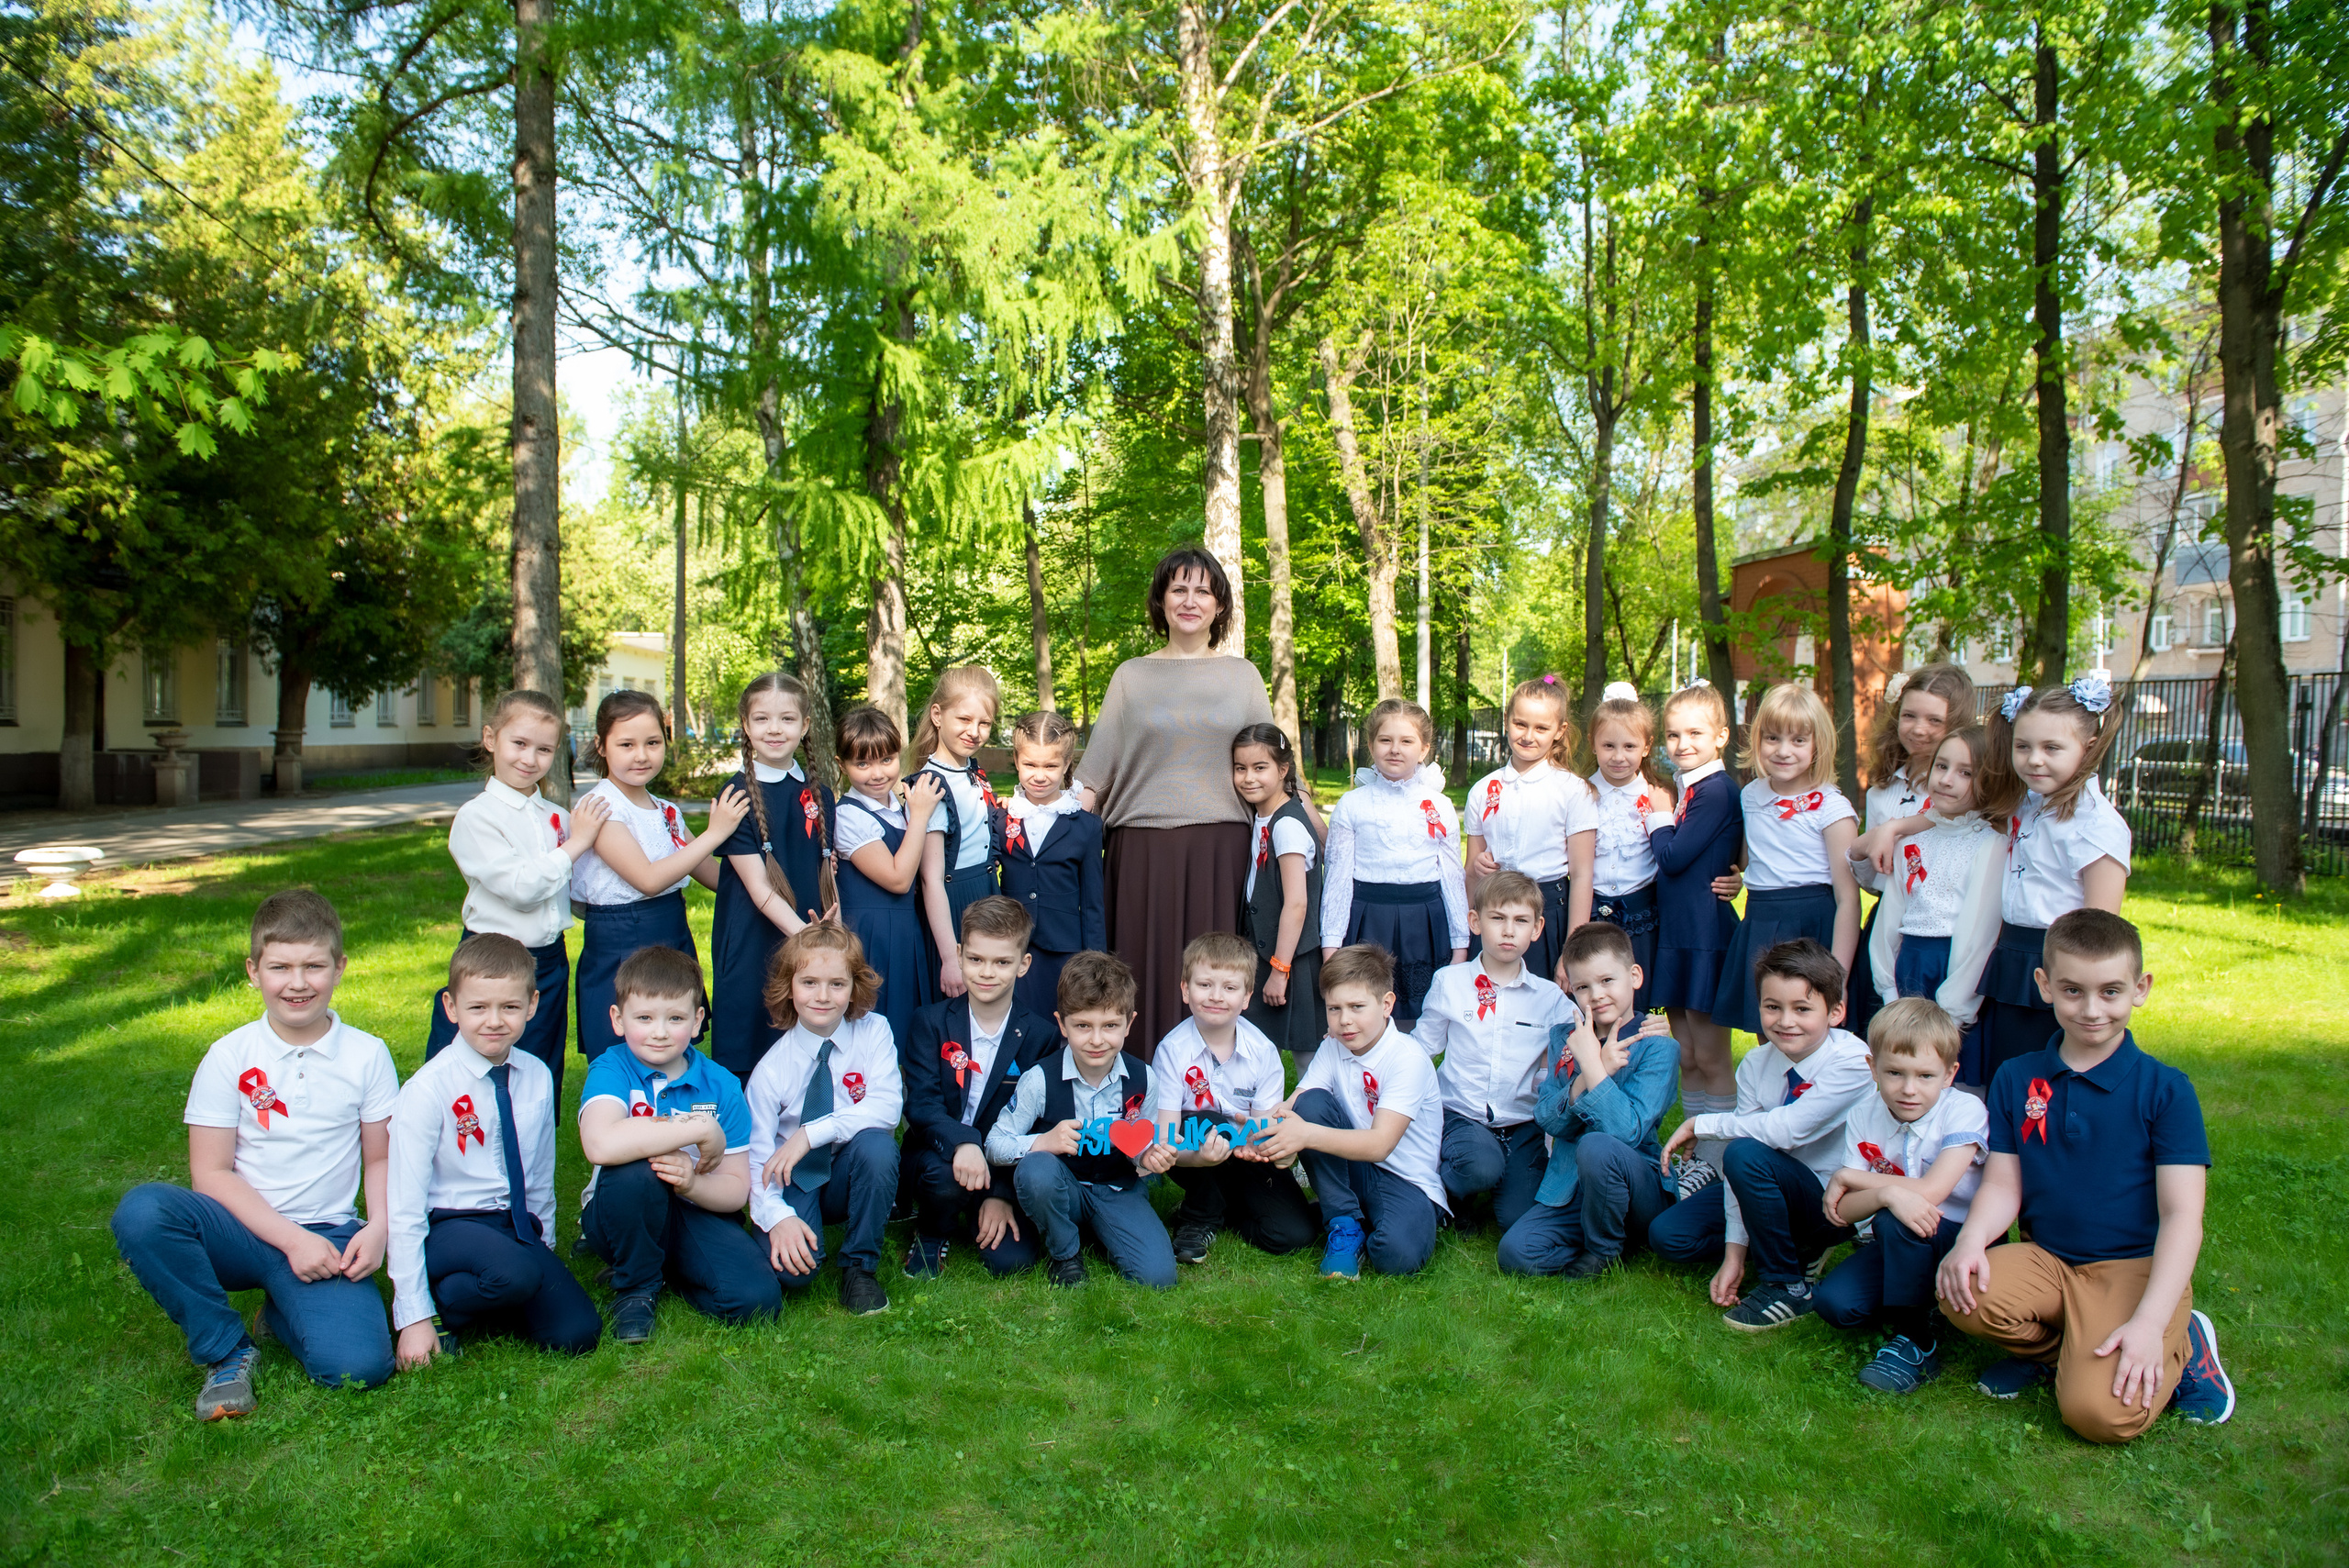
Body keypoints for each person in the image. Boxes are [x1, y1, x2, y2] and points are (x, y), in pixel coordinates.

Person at [1936, 909, 2234, 1441]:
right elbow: (2005, 1184)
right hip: (2049, 1261)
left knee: (2099, 1416)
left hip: (2131, 1270)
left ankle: (2182, 1343)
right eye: (2073, 991)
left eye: (2111, 991)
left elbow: (2183, 1216)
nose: (2092, 1009)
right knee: (1962, 1290)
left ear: (2140, 989)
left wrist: (2146, 1324)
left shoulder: (2167, 1090)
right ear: (2045, 986)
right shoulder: (2016, 1076)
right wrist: (1971, 1242)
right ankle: (2069, 1353)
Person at [111, 890, 398, 1418]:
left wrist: (378, 1227)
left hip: (328, 1234)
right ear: (253, 970)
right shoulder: (229, 1056)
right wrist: (290, 1242)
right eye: (280, 967)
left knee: (358, 1369)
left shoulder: (368, 1054)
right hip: (238, 1229)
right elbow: (211, 1173)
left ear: (340, 968)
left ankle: (285, 1309)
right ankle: (227, 1349)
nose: (297, 982)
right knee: (144, 1211)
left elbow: (380, 1158)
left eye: (314, 966)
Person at [1876, 676, 2132, 1086]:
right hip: (2009, 955)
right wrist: (1895, 827)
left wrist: (2081, 990)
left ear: (2089, 747)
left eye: (2052, 748)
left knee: (2054, 1076)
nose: (2034, 760)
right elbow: (1958, 812)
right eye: (2023, 746)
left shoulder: (2097, 826)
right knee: (2008, 1076)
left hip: (2061, 958)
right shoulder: (2026, 803)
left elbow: (2101, 929)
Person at [1074, 547, 1279, 1052]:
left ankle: (1211, 1096)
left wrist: (1315, 829)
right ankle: (1138, 1092)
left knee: (1213, 980)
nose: (1190, 601)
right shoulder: (1131, 676)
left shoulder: (1243, 676)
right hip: (1141, 854)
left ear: (1219, 605)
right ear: (1161, 600)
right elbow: (1094, 778)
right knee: (1139, 975)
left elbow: (1270, 765)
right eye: (1179, 589)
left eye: (1203, 591)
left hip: (1221, 853)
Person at [388, 934, 601, 1368]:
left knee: (577, 1333)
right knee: (516, 1274)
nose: (494, 1021)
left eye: (509, 1007)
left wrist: (546, 1245)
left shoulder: (537, 1076)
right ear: (451, 1008)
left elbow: (539, 1172)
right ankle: (443, 1303)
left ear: (532, 1004)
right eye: (478, 1007)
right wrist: (413, 1315)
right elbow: (404, 1206)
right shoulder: (428, 1090)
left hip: (513, 1226)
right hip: (449, 1226)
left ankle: (501, 1289)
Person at [1653, 939, 1874, 1330]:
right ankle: (1786, 1250)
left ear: (1835, 1012)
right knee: (1669, 1236)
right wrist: (1734, 1254)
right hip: (1764, 1192)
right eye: (1773, 1007)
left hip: (1829, 1202)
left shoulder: (1855, 1061)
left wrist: (1703, 1124)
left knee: (1744, 1153)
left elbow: (1788, 1130)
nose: (1785, 1021)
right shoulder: (1756, 1063)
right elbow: (1749, 1152)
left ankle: (1786, 1286)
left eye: (1802, 1009)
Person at [575, 945, 776, 1343]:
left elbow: (736, 1191)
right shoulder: (611, 1068)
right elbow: (600, 1144)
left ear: (698, 1019)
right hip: (619, 1211)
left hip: (692, 1210)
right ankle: (635, 1288)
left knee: (756, 1302)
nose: (660, 1031)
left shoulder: (722, 1084)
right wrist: (700, 1128)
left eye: (676, 1018)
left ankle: (666, 1271)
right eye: (644, 1018)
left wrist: (691, 1184)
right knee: (637, 1166)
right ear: (618, 1019)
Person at [422, 689, 611, 1104]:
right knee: (465, 1076)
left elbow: (574, 894)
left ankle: (528, 1159)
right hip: (488, 961)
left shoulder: (558, 818)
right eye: (519, 744)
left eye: (544, 749)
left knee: (537, 1074)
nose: (529, 759)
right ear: (491, 738)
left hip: (548, 961)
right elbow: (523, 889)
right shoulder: (477, 817)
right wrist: (577, 844)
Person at [1811, 997, 1987, 1394]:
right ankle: (1925, 1302)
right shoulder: (1864, 1114)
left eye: (1925, 1076)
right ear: (1872, 1068)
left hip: (1961, 1240)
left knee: (1898, 1218)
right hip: (1899, 1240)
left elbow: (1933, 1191)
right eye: (1894, 1073)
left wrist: (1853, 1178)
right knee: (1836, 1305)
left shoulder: (1965, 1110)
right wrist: (1886, 1191)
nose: (1909, 1089)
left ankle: (1917, 1340)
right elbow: (1841, 1211)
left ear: (1949, 1074)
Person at [570, 690, 748, 1062]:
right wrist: (716, 834)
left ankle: (674, 1119)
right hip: (622, 938)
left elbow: (714, 876)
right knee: (625, 1052)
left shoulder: (666, 809)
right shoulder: (601, 808)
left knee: (673, 1046)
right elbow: (648, 879)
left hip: (671, 929)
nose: (641, 755)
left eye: (652, 742)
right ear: (602, 746)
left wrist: (771, 877)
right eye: (626, 744)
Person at [1496, 919, 1679, 1279]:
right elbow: (1549, 1118)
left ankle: (1604, 1251)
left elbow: (1627, 1132)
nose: (1596, 995)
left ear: (1635, 976)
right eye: (1583, 986)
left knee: (1597, 1145)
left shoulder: (1658, 1047)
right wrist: (1583, 1077)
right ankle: (1599, 1234)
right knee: (1515, 1253)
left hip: (1633, 1185)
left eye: (1607, 980)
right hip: (1572, 1186)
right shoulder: (1566, 1037)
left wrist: (1596, 1068)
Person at [986, 951, 1179, 1288]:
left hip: (1117, 1189)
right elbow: (994, 1144)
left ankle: (1104, 1228)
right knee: (1036, 1169)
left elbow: (1142, 1140)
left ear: (1129, 1023)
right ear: (1062, 1024)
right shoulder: (1039, 1080)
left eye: (1110, 1026)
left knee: (1159, 1278)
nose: (1096, 1040)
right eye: (1082, 1026)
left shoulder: (1143, 1078)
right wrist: (1042, 1142)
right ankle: (1065, 1254)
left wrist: (1148, 1155)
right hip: (1062, 1187)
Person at [1256, 945, 1447, 1280]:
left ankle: (1373, 1216)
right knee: (1311, 1103)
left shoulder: (1408, 1059)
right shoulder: (1334, 1046)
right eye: (1334, 1009)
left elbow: (1379, 1145)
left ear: (1387, 1004)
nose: (1344, 1020)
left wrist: (1304, 1136)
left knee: (1396, 1258)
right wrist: (1264, 1130)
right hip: (1355, 1166)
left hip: (1406, 1179)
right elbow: (1295, 1104)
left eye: (1357, 1007)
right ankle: (1344, 1224)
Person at [744, 922, 903, 1318]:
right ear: (790, 987)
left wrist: (811, 1133)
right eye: (810, 983)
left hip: (852, 1169)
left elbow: (888, 1107)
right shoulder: (771, 1070)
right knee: (796, 1274)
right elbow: (756, 1158)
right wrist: (777, 1218)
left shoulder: (874, 1032)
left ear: (854, 988)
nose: (822, 996)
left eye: (837, 984)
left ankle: (859, 1267)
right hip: (795, 1177)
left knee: (879, 1145)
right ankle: (789, 1232)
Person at [901, 895, 1063, 1279]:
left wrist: (1001, 1194)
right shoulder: (929, 1022)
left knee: (1013, 1263)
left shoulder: (1040, 1036)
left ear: (1023, 965)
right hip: (939, 1156)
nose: (986, 972)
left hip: (1001, 1161)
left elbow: (1038, 1124)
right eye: (976, 959)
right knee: (942, 1178)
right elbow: (923, 1105)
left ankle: (985, 1206)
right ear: (959, 955)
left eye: (1002, 962)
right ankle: (932, 1229)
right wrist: (964, 1142)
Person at [1416, 870, 1575, 1232]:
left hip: (1522, 1124)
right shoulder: (1449, 983)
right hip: (1461, 1114)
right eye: (1497, 918)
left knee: (1518, 1218)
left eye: (1520, 921)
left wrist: (1644, 1027)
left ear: (1536, 929)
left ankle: (1500, 1174)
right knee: (1479, 1166)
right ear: (1475, 922)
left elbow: (1582, 1043)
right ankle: (1449, 1193)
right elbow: (1421, 1049)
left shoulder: (1551, 1000)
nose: (1508, 931)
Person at [1152, 931, 1313, 1264]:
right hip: (1192, 1152)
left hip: (1245, 1157)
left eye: (1229, 987)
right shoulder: (1171, 1051)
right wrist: (1199, 1159)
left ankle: (1224, 1209)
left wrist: (1268, 1149)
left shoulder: (1264, 1053)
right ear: (1185, 989)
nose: (1216, 997)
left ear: (1247, 997)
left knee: (1294, 1235)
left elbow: (1265, 1130)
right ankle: (1198, 1217)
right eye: (1204, 985)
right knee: (1206, 1120)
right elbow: (1166, 1140)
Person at [1709, 684, 1861, 1037]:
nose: (1783, 751)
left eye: (1798, 740)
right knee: (1772, 1028)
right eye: (1773, 738)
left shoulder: (1832, 807)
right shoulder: (1751, 794)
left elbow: (1849, 898)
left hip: (1811, 925)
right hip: (1761, 922)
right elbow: (1749, 858)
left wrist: (1838, 975)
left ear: (1817, 744)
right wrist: (1737, 877)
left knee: (1809, 1034)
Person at [708, 672, 838, 1079]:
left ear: (805, 725)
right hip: (754, 938)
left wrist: (830, 936)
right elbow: (758, 887)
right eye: (762, 719)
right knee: (752, 1040)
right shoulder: (738, 795)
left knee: (807, 1041)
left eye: (786, 718)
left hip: (811, 932)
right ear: (746, 726)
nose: (775, 729)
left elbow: (827, 869)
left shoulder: (821, 793)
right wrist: (804, 936)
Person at [1865, 726, 2005, 1084]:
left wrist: (1955, 1009)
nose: (1946, 780)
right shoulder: (1911, 838)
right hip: (1909, 965)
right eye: (1941, 766)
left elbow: (1980, 934)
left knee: (1950, 1079)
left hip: (1954, 970)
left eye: (1965, 772)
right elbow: (1889, 918)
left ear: (1989, 779)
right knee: (1901, 1072)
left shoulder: (1991, 845)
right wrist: (1889, 989)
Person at [1319, 698, 1467, 1029]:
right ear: (1371, 745)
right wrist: (1331, 945)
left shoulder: (1440, 806)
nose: (1395, 750)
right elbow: (1339, 880)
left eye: (1407, 741)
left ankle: (1411, 1076)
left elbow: (1453, 880)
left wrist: (1460, 945)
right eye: (1385, 740)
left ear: (1425, 748)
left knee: (1419, 1019)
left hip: (1424, 922)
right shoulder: (1352, 805)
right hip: (1369, 920)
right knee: (1364, 1012)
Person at [1843, 665, 1973, 1038]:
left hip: (1944, 926)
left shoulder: (1961, 788)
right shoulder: (1884, 788)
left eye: (1935, 720)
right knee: (1880, 1032)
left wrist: (1893, 830)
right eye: (1910, 716)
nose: (1919, 729)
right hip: (1888, 921)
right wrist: (1860, 853)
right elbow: (1873, 880)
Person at [1642, 682, 1743, 1145]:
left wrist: (1658, 815)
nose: (1683, 745)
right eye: (1673, 735)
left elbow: (1673, 857)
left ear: (1721, 736)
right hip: (1677, 936)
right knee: (1686, 1055)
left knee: (1712, 1056)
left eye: (1696, 734)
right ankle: (1695, 1151)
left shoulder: (1716, 790)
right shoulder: (1691, 789)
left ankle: (1719, 1157)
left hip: (1705, 936)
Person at [1464, 674, 1598, 984]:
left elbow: (1581, 876)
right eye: (1520, 724)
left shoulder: (1573, 791)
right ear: (1507, 721)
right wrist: (1477, 868)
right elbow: (1470, 871)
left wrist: (1572, 949)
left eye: (1541, 728)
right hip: (1494, 912)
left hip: (1547, 915)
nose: (1528, 736)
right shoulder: (1483, 790)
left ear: (1560, 731)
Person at [831, 704, 948, 1046]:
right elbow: (899, 878)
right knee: (872, 1029)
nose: (877, 773)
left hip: (907, 931)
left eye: (887, 760)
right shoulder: (850, 816)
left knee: (910, 1032)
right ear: (842, 764)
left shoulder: (899, 807)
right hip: (871, 936)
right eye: (862, 763)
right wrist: (921, 815)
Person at [998, 709, 1105, 1019]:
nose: (1039, 774)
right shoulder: (1002, 818)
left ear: (1066, 765)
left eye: (1050, 765)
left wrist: (1094, 961)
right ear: (1016, 762)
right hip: (1014, 950)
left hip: (1065, 950)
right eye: (1030, 764)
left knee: (1061, 1024)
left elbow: (1093, 901)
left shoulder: (1086, 827)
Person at [1231, 721, 1325, 1059]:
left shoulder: (1286, 825)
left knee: (1306, 1053)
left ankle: (1314, 1111)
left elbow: (1297, 904)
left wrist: (1280, 970)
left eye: (1260, 768)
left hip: (1291, 959)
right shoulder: (1262, 818)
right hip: (1268, 955)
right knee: (1258, 1047)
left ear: (1283, 769)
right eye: (1240, 768)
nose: (1248, 778)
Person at [914, 665, 1005, 998]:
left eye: (984, 723)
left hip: (987, 891)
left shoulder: (973, 770)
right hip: (954, 903)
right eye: (964, 720)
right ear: (938, 715)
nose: (974, 732)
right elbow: (931, 878)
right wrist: (949, 956)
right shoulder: (931, 784)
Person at [1586, 684, 1675, 1015]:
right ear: (1593, 743)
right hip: (1591, 915)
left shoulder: (1659, 797)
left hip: (1642, 918)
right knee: (1594, 1004)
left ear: (1647, 746)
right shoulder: (1579, 794)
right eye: (1608, 745)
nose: (1618, 756)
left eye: (1629, 746)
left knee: (1638, 1006)